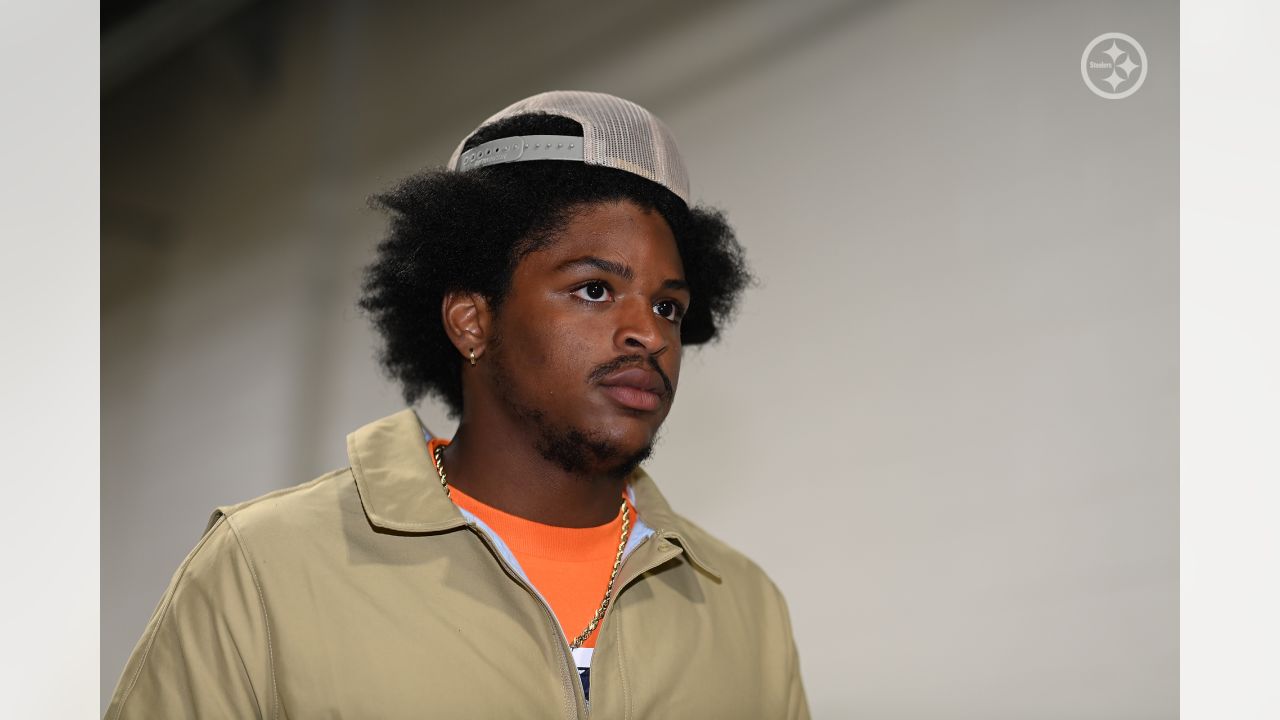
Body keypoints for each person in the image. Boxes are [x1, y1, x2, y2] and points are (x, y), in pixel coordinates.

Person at [106, 91, 809, 719]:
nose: (649, 332)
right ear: (472, 321)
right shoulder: (267, 569)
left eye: (669, 306)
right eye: (595, 288)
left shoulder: (743, 607)